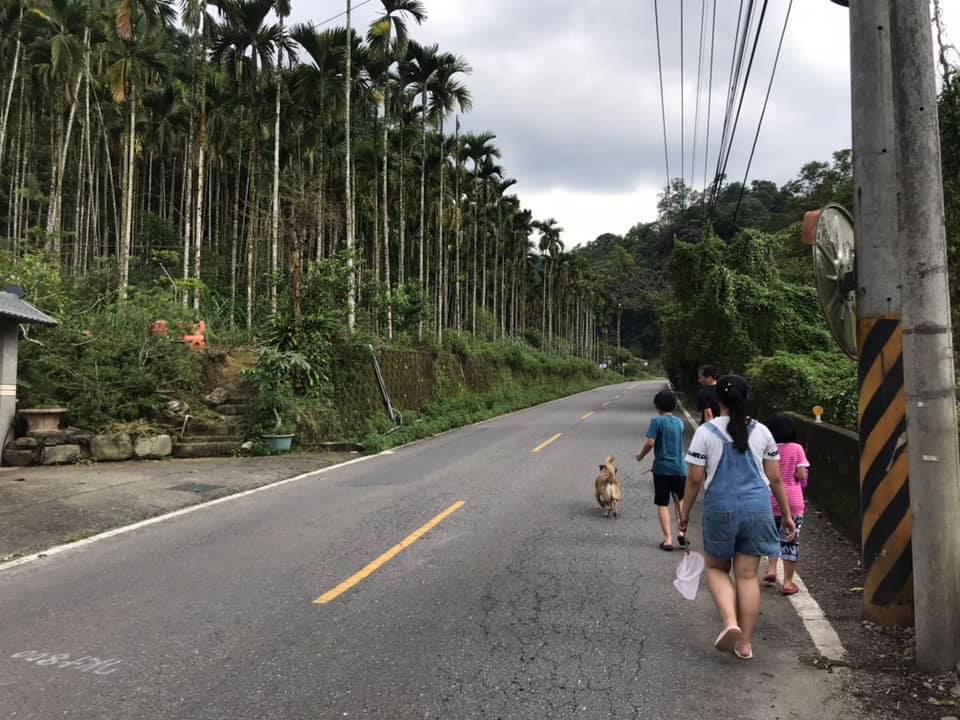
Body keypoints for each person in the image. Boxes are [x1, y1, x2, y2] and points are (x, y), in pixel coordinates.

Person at [678, 375, 796, 660]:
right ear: (746, 398)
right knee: (747, 576)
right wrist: (788, 516)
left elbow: (694, 480)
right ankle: (745, 643)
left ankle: (730, 622)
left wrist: (684, 513)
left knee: (717, 568)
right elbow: (776, 479)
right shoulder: (763, 432)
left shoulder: (706, 432)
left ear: (717, 399)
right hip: (758, 507)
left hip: (721, 507)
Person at [762, 413, 810, 596]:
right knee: (791, 541)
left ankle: (772, 569)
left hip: (771, 499)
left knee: (772, 537)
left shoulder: (768, 449)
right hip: (794, 501)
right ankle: (788, 583)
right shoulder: (797, 448)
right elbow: (802, 475)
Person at [636, 389, 688, 551]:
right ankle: (682, 533)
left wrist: (640, 456)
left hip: (662, 469)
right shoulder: (679, 423)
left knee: (662, 503)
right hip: (680, 468)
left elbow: (650, 443)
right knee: (680, 500)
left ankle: (668, 540)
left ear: (657, 406)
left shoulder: (656, 422)